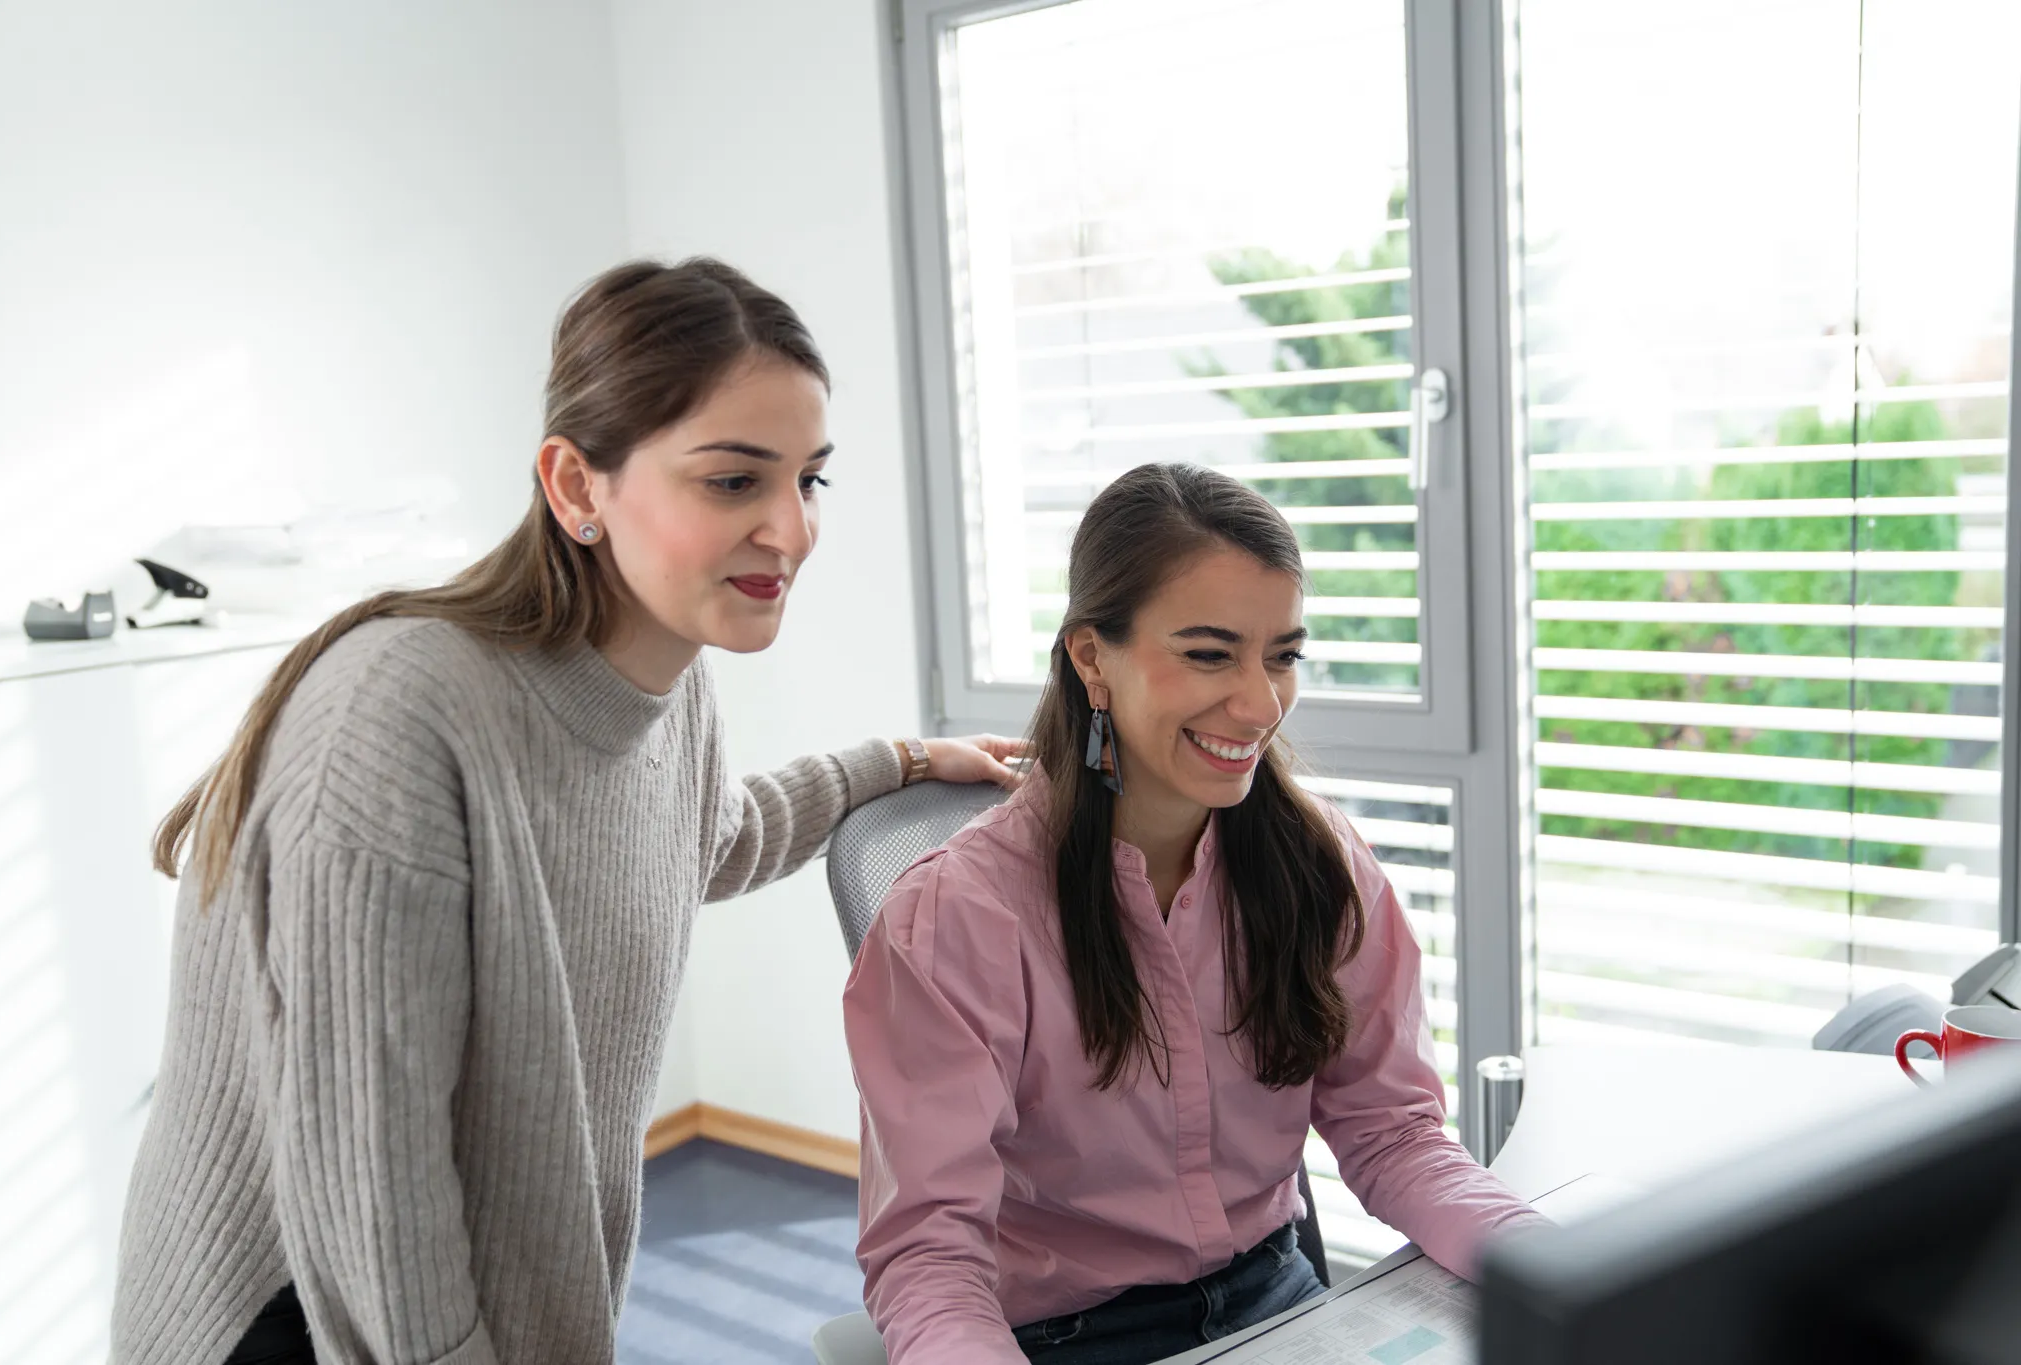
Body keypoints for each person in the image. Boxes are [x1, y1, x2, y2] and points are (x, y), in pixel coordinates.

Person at [110, 258, 1021, 1365]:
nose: (791, 530)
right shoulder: (400, 710)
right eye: (734, 480)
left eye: (809, 480)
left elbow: (704, 838)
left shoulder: (667, 682)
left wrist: (900, 759)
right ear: (578, 486)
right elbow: (371, 1191)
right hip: (301, 1318)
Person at [844, 462, 1544, 1364]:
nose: (1260, 703)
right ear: (1091, 656)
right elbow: (930, 1258)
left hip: (1276, 1299)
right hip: (1066, 1338)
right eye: (1210, 654)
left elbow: (1394, 1133)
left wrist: (1563, 1275)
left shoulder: (1319, 862)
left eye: (1282, 655)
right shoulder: (956, 917)